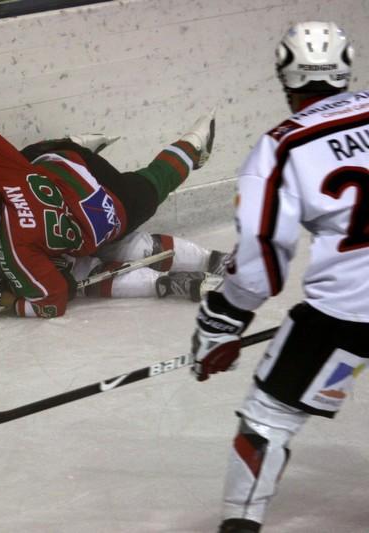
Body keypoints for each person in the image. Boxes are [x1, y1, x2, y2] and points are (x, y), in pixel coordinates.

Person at [188, 22, 369, 533]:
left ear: (285, 76)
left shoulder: (281, 148)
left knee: (269, 418)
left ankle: (241, 524)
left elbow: (262, 256)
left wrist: (223, 320)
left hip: (348, 317)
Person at [0, 109, 220, 316]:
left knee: (142, 200)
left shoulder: (14, 249)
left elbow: (51, 301)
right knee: (22, 157)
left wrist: (1, 298)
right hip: (63, 162)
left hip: (99, 215)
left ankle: (193, 149)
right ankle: (189, 145)